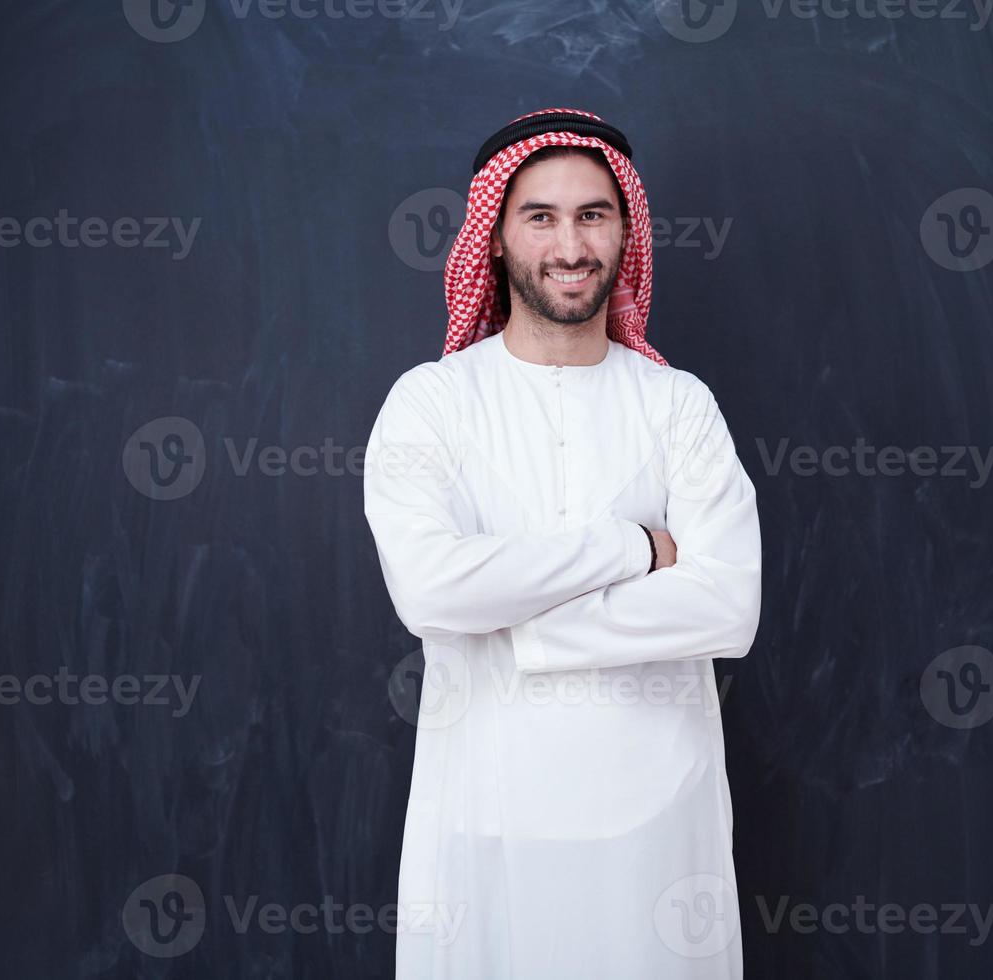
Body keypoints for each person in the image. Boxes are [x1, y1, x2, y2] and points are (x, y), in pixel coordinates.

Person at [363, 107, 763, 979]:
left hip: (660, 835)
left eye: (594, 215)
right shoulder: (432, 403)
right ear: (496, 239)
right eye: (539, 216)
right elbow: (431, 591)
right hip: (488, 822)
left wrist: (523, 626)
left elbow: (729, 606)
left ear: (627, 233)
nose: (570, 244)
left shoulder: (677, 405)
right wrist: (630, 548)